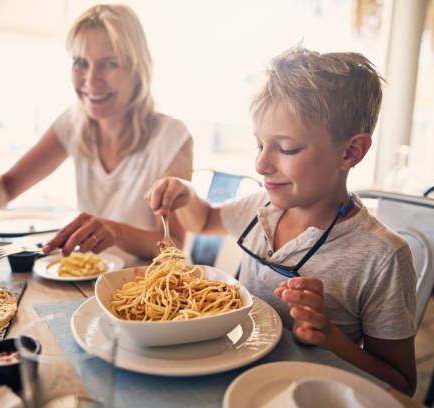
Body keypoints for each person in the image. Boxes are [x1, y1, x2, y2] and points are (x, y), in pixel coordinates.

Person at [145, 46, 417, 395]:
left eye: (286, 149)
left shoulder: (382, 257)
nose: (261, 164)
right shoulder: (262, 207)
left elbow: (401, 385)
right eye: (259, 144)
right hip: (228, 378)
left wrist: (330, 336)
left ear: (350, 152)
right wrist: (185, 193)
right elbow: (205, 221)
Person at [0, 4, 192, 265]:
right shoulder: (72, 123)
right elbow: (5, 187)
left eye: (109, 63)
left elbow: (173, 244)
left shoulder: (171, 137)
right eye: (80, 62)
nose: (91, 80)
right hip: (87, 284)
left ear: (137, 69)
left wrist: (116, 231)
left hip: (147, 295)